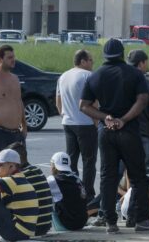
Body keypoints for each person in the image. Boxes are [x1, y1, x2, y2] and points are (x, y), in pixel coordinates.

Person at [79, 39, 149, 234]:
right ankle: (141, 220)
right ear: (122, 53)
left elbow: (84, 106)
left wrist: (104, 117)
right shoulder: (134, 74)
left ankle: (110, 222)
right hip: (129, 130)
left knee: (108, 178)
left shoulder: (95, 76)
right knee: (138, 176)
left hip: (106, 132)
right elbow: (142, 100)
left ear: (104, 55)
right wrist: (124, 119)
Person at [125, 49, 149, 228]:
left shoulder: (122, 81)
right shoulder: (147, 85)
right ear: (141, 63)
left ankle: (116, 214)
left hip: (122, 132)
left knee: (122, 177)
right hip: (144, 135)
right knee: (141, 178)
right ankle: (137, 216)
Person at [55, 49, 97, 201]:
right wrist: (96, 121)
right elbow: (94, 101)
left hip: (68, 122)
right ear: (83, 61)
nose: (92, 63)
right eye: (90, 60)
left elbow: (58, 102)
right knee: (89, 161)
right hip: (86, 122)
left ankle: (73, 190)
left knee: (72, 160)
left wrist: (64, 115)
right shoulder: (88, 76)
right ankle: (88, 194)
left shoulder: (63, 76)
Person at [0, 148, 38, 241]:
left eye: (0, 165)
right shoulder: (18, 178)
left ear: (11, 166)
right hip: (23, 232)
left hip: (16, 232)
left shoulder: (11, 181)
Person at [2, 142, 52, 236]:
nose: (2, 164)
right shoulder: (37, 170)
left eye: (5, 161)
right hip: (44, 227)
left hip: (30, 229)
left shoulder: (18, 177)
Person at [0, 45, 27, 158]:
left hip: (16, 133)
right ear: (0, 59)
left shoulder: (15, 79)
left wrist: (24, 125)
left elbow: (19, 102)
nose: (13, 60)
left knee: (18, 165)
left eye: (13, 57)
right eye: (9, 57)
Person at [47, 152, 88, 232]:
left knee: (45, 198)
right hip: (82, 222)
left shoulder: (52, 180)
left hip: (67, 225)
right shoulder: (77, 179)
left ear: (54, 166)